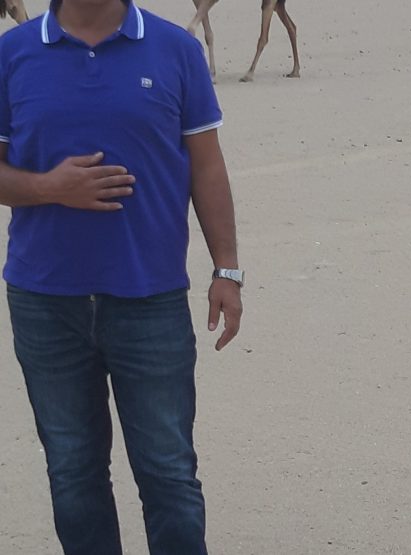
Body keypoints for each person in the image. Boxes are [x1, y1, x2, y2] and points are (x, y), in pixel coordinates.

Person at [0, 0, 243, 553]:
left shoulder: (177, 50)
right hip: (45, 302)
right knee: (73, 472)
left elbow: (207, 165)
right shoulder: (11, 54)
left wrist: (226, 269)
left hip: (150, 297)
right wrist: (49, 188)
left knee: (169, 473)